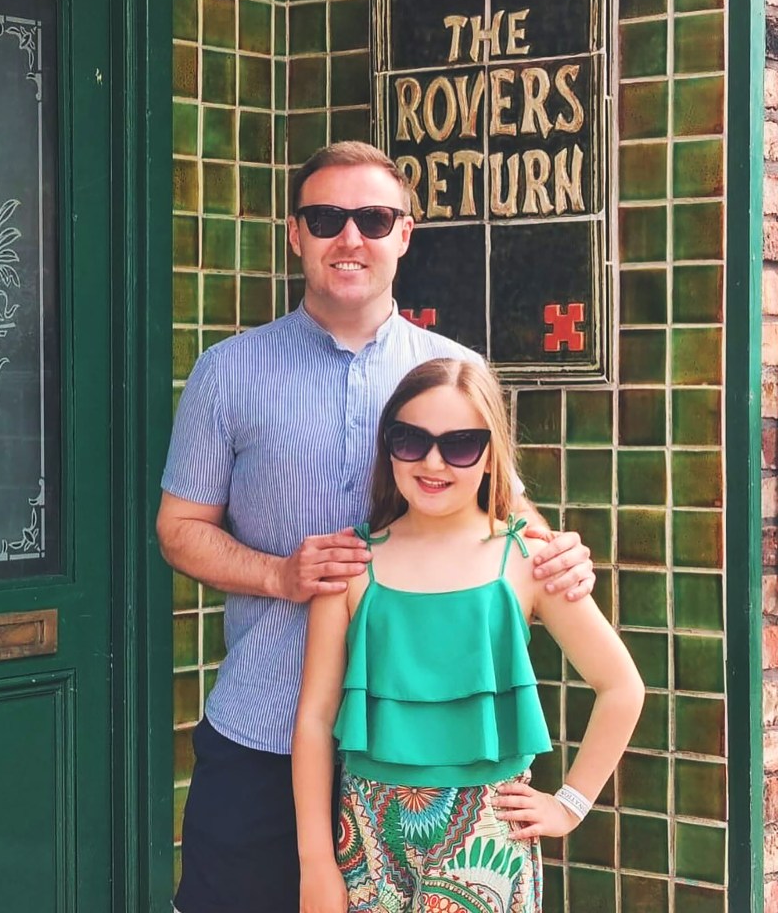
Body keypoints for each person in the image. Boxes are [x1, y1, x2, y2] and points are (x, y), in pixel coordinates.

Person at [157, 141, 597, 913]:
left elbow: (505, 511)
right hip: (263, 730)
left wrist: (559, 558)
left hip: (414, 770)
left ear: (404, 235)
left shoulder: (453, 369)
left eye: (373, 217)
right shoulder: (228, 371)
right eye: (326, 218)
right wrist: (277, 575)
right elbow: (178, 528)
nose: (349, 237)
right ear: (295, 234)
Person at [292, 358, 644, 913]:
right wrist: (316, 862)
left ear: (490, 454)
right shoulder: (352, 565)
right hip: (363, 832)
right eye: (410, 440)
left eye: (459, 445)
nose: (432, 462)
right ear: (388, 446)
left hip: (487, 833)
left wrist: (570, 805)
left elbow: (622, 687)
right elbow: (313, 718)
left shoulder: (526, 561)